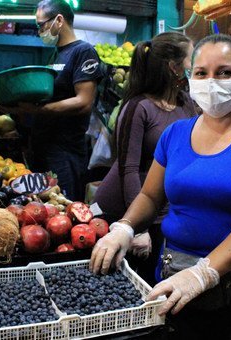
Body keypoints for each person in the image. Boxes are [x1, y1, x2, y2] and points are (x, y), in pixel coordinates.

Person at [89, 34, 231, 340]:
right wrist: (124, 227)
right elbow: (150, 195)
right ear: (190, 78)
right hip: (176, 282)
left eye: (225, 72)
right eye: (201, 73)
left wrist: (205, 272)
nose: (212, 81)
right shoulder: (176, 133)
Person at [0, 0, 104, 201]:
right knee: (42, 207)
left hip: (65, 153)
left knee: (62, 208)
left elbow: (84, 102)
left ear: (59, 20)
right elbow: (42, 97)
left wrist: (37, 111)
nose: (40, 30)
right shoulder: (55, 54)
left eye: (41, 25)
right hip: (43, 147)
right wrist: (1, 106)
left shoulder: (83, 52)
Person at [93, 32, 196, 285]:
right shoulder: (139, 107)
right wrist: (136, 227)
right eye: (191, 60)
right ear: (174, 67)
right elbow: (128, 168)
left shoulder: (187, 105)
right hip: (125, 208)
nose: (194, 67)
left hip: (163, 210)